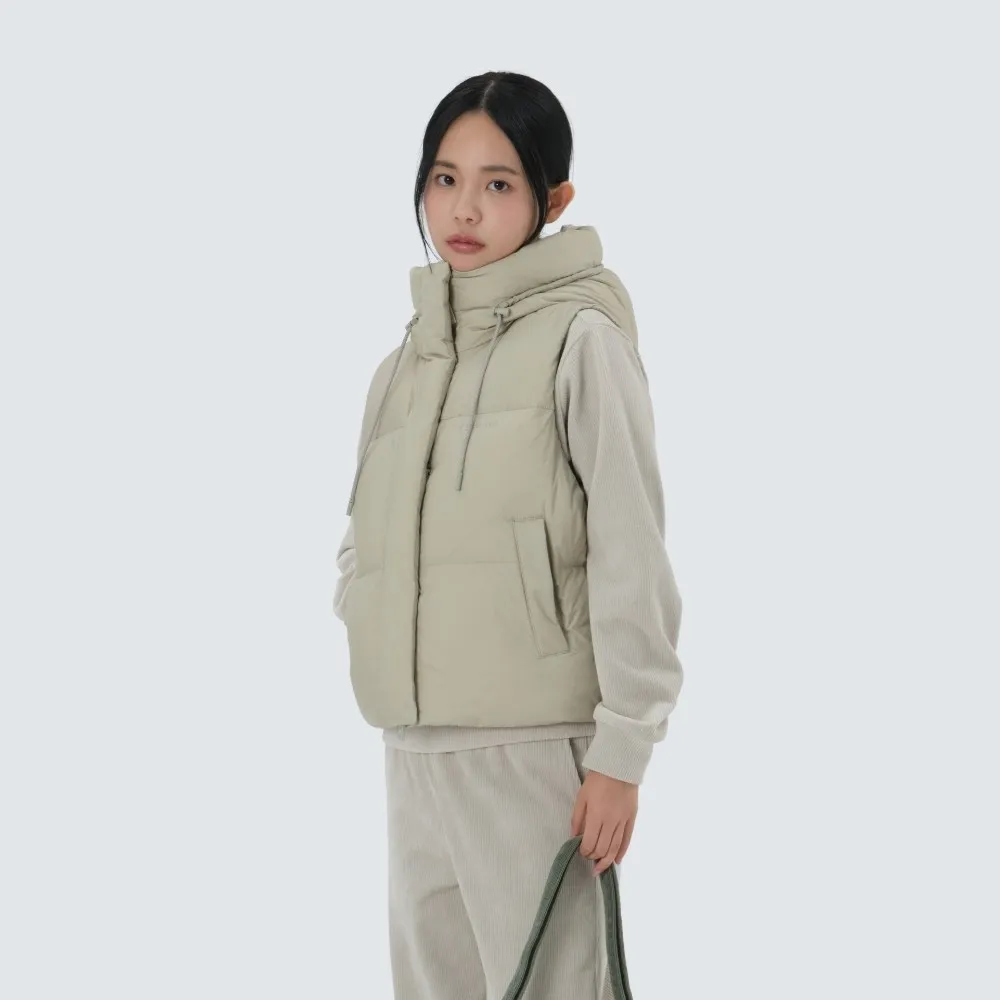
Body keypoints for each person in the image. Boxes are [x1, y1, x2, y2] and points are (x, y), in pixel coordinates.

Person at [332, 70, 684, 1000]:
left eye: (498, 183)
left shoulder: (582, 341)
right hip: (414, 749)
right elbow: (361, 538)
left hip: (536, 752)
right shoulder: (401, 366)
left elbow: (632, 548)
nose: (464, 208)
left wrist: (622, 754)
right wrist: (367, 617)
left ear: (552, 200)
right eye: (445, 179)